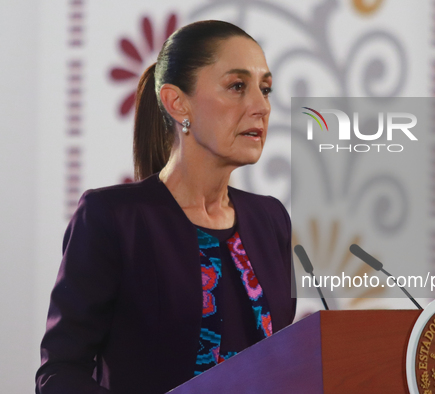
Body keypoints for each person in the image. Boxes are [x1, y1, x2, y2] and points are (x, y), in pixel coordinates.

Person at [35, 20, 296, 394]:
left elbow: (285, 362)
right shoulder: (113, 217)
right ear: (177, 103)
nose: (261, 106)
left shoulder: (270, 219)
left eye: (265, 89)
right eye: (238, 86)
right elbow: (60, 373)